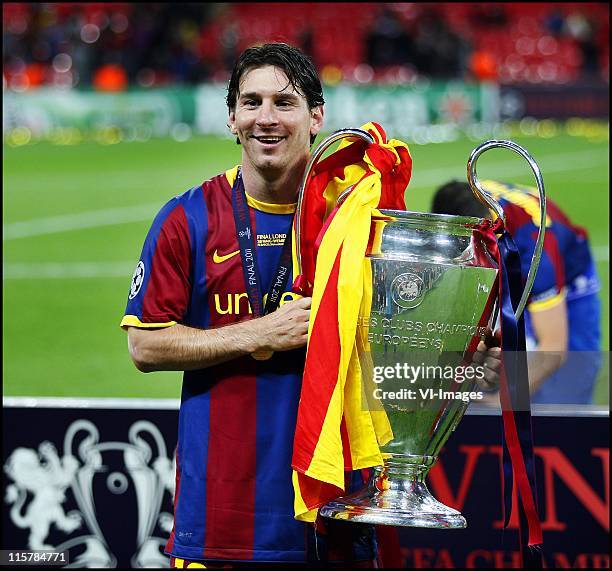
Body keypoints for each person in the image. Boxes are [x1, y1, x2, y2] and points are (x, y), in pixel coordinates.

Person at [121, 43, 501, 568]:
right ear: (231, 118)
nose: (266, 118)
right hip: (223, 520)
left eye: (285, 102)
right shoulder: (188, 218)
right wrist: (259, 334)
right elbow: (144, 344)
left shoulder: (362, 223)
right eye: (251, 103)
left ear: (316, 116)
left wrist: (466, 357)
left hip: (338, 512)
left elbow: (398, 350)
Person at [432, 180, 601, 404]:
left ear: (487, 227)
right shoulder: (462, 203)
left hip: (569, 282)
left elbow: (553, 347)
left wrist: (501, 403)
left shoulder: (536, 252)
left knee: (567, 390)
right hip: (512, 252)